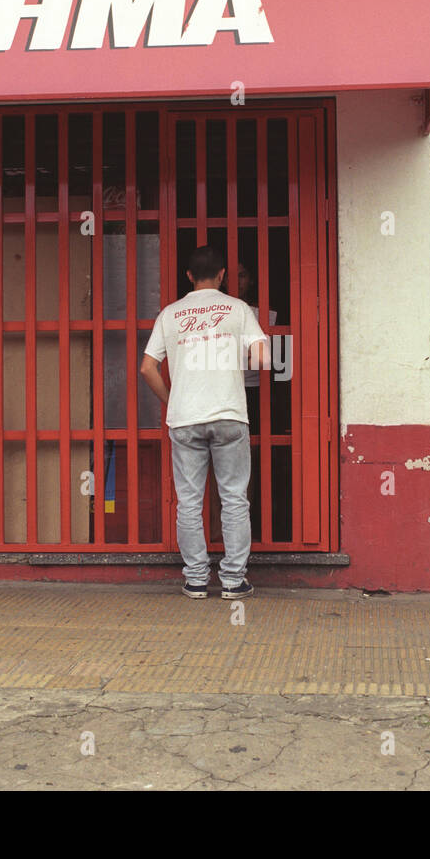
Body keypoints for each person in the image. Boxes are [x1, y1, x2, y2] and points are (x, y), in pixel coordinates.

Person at [140, 246, 269, 599]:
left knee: (189, 501)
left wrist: (173, 399)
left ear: (188, 276)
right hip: (228, 414)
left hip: (186, 418)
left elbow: (147, 368)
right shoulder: (238, 309)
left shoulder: (170, 314)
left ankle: (196, 579)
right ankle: (232, 580)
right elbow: (262, 357)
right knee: (234, 499)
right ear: (223, 274)